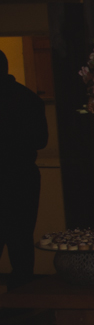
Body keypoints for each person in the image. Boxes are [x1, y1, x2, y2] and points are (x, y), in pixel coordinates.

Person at [0, 49, 49, 288]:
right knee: (20, 239)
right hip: (22, 175)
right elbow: (41, 140)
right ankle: (22, 295)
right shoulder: (28, 98)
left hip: (14, 174)